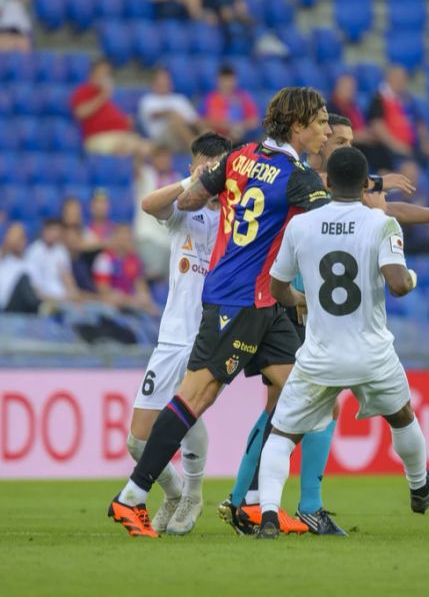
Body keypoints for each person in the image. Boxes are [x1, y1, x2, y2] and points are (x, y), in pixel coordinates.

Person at [107, 86, 331, 538]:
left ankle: (253, 504)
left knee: (305, 395)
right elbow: (331, 229)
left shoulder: (239, 157)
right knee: (196, 397)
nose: (327, 130)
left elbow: (187, 201)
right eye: (321, 121)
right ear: (298, 126)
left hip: (265, 303)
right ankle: (131, 498)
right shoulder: (298, 176)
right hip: (238, 299)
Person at [256, 146, 429, 538]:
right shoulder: (379, 223)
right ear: (364, 185)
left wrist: (300, 299)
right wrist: (411, 278)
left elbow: (277, 286)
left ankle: (270, 514)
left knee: (283, 435)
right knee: (402, 415)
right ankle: (418, 486)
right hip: (370, 352)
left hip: (319, 354)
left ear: (327, 183)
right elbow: (397, 283)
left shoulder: (302, 225)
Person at [126, 132, 230, 536]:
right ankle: (174, 490)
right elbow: (148, 204)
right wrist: (194, 183)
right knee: (138, 441)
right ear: (193, 168)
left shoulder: (237, 216)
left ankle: (194, 494)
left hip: (210, 335)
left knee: (189, 413)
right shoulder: (183, 212)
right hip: (172, 335)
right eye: (203, 168)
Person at [70, 58, 149, 157]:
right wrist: (102, 96)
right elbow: (80, 113)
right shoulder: (83, 91)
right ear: (93, 73)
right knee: (124, 148)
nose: (105, 76)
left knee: (151, 149)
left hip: (122, 135)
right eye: (102, 72)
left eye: (107, 73)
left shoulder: (108, 96)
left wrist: (126, 122)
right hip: (98, 138)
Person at [134, 144, 181, 282]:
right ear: (153, 159)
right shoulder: (147, 175)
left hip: (171, 240)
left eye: (166, 157)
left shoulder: (179, 179)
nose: (163, 161)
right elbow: (134, 166)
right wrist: (140, 152)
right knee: (153, 278)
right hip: (149, 236)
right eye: (159, 157)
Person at [92, 223, 159, 316]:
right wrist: (131, 301)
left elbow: (141, 287)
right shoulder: (104, 259)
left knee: (154, 310)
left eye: (128, 236)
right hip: (113, 305)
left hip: (130, 304)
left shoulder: (134, 260)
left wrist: (144, 299)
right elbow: (104, 292)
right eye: (123, 236)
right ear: (115, 238)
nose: (127, 239)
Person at [138, 68, 201, 153]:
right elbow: (153, 115)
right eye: (160, 79)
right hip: (161, 140)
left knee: (202, 123)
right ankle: (195, 148)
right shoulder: (148, 100)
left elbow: (194, 120)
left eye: (166, 79)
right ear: (153, 83)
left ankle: (213, 149)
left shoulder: (179, 99)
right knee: (173, 120)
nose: (164, 82)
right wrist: (171, 114)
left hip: (183, 135)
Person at [25, 218, 80, 305]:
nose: (55, 234)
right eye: (52, 230)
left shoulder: (61, 250)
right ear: (44, 231)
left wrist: (74, 294)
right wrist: (55, 300)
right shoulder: (34, 251)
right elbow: (34, 287)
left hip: (64, 298)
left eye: (57, 231)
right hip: (45, 300)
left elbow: (67, 277)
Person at [201, 64, 259, 144]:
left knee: (237, 132)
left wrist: (240, 125)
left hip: (237, 135)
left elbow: (254, 121)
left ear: (235, 80)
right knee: (206, 132)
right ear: (218, 80)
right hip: (215, 135)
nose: (227, 83)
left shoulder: (243, 97)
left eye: (230, 80)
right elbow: (201, 120)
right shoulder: (210, 97)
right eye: (224, 80)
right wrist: (222, 125)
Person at [0, 222, 42, 313]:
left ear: (25, 240)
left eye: (19, 238)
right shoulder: (3, 259)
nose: (16, 241)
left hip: (25, 306)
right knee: (24, 279)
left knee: (25, 279)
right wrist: (6, 246)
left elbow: (37, 291)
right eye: (13, 237)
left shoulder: (31, 264)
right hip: (5, 306)